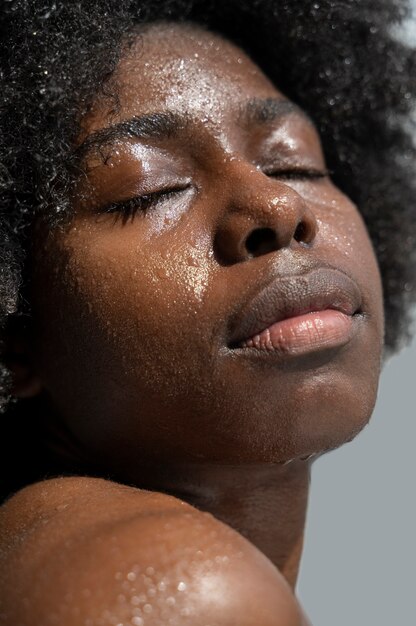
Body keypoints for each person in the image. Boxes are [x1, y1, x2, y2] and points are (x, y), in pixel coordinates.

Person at [0, 0, 415, 624]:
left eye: (293, 162)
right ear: (15, 335)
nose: (276, 205)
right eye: (153, 189)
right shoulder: (184, 588)